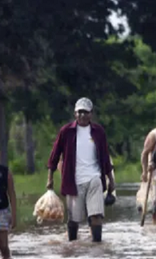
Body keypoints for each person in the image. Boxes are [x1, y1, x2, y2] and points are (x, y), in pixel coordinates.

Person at [47, 97, 115, 242]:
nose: (82, 115)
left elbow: (105, 157)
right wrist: (50, 178)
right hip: (74, 181)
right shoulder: (66, 131)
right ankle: (72, 247)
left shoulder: (98, 131)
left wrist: (111, 181)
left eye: (86, 112)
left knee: (96, 216)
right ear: (75, 114)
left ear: (91, 114)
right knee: (74, 219)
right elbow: (54, 155)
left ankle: (97, 247)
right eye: (80, 112)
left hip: (94, 178)